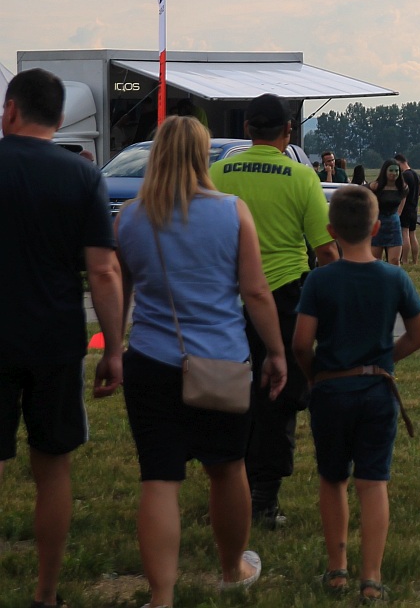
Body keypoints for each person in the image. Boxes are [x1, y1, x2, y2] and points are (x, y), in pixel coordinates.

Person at [114, 116, 287, 607]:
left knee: (159, 479)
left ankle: (161, 596)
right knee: (228, 469)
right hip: (223, 363)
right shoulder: (233, 212)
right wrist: (275, 352)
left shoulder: (128, 217)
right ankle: (232, 569)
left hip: (150, 360)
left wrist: (112, 348)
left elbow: (120, 293)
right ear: (204, 154)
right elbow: (254, 291)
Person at [0, 69, 125, 608]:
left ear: (10, 110)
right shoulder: (82, 177)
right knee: (52, 468)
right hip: (55, 338)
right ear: (59, 119)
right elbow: (103, 271)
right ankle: (46, 595)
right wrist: (114, 348)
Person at [293, 186, 420, 601]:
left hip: (331, 389)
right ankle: (371, 578)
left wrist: (313, 373)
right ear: (375, 227)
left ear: (331, 230)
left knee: (332, 479)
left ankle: (337, 570)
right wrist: (386, 361)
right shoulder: (394, 277)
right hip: (375, 389)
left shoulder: (319, 280)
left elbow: (301, 342)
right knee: (373, 483)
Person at [210, 93, 337, 528]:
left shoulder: (217, 172)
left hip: (227, 299)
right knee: (278, 398)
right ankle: (264, 496)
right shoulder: (301, 178)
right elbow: (324, 250)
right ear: (288, 132)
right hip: (284, 295)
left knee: (229, 394)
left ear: (247, 129)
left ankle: (230, 486)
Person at [369, 160, 407, 264]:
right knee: (375, 261)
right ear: (385, 171)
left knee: (395, 260)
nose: (394, 173)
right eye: (391, 170)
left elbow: (403, 198)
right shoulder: (376, 186)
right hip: (378, 222)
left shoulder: (402, 187)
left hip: (393, 223)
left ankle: (394, 279)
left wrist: (398, 213)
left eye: (396, 170)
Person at [395, 154, 420, 266]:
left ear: (399, 162)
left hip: (406, 208)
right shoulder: (417, 175)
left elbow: (403, 194)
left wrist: (399, 211)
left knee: (404, 233)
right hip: (414, 208)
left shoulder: (405, 176)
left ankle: (404, 260)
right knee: (412, 234)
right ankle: (415, 260)